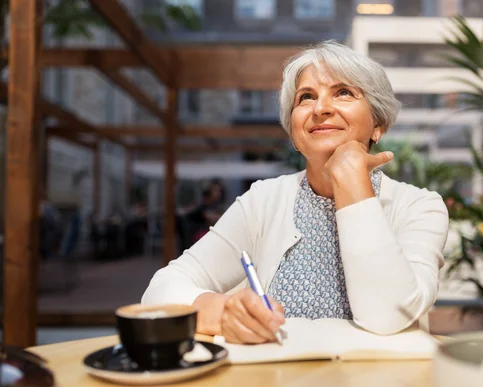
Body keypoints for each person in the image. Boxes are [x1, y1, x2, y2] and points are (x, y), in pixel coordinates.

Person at [142, 41, 449, 344]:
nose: (321, 108)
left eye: (343, 92)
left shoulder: (419, 207)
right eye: (306, 97)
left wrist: (351, 181)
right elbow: (160, 290)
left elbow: (388, 317)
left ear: (378, 125)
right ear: (295, 134)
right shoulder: (262, 201)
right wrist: (221, 313)